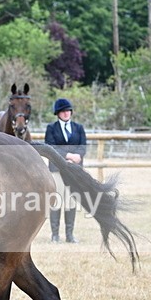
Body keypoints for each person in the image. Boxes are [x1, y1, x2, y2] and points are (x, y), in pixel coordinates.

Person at [44, 98, 87, 243]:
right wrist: (67, 156)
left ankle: (69, 234)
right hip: (56, 169)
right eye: (63, 111)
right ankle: (55, 234)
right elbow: (51, 147)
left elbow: (83, 146)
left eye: (68, 111)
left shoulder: (78, 128)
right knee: (56, 201)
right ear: (58, 113)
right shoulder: (51, 128)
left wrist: (77, 156)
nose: (66, 113)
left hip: (74, 170)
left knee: (71, 201)